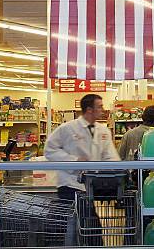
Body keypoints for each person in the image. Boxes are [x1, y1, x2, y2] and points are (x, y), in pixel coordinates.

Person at [45, 94, 119, 245]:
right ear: (89, 110)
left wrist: (115, 172)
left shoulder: (103, 131)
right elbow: (49, 150)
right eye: (100, 106)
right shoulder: (67, 128)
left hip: (91, 185)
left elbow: (110, 156)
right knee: (78, 225)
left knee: (86, 225)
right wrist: (74, 161)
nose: (103, 110)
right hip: (69, 183)